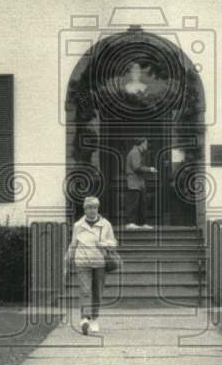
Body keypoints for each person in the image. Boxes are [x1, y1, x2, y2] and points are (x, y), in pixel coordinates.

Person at [64, 196, 117, 334]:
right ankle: (85, 318)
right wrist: (67, 260)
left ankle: (94, 319)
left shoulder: (106, 224)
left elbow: (113, 242)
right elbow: (73, 244)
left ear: (98, 208)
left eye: (94, 207)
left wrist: (104, 244)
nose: (92, 210)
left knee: (97, 293)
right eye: (89, 207)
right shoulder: (78, 225)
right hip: (82, 262)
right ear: (84, 209)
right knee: (85, 291)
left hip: (99, 262)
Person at [124, 137, 156, 229]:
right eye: (146, 143)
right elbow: (136, 167)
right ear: (141, 144)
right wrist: (149, 169)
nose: (147, 146)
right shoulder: (135, 152)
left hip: (139, 181)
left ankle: (142, 223)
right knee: (133, 203)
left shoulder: (138, 152)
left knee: (142, 203)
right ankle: (130, 223)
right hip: (134, 181)